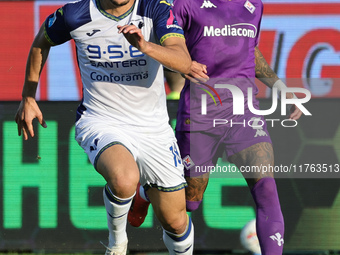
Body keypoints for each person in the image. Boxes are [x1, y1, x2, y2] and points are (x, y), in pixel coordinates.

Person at [14, 0, 195, 254]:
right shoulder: (75, 14)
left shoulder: (155, 8)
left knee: (175, 222)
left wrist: (144, 45)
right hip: (101, 119)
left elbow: (183, 62)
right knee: (124, 179)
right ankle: (117, 244)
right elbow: (41, 42)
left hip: (153, 128)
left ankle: (143, 195)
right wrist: (28, 97)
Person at [128, 0, 303, 254]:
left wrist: (279, 87)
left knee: (266, 188)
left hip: (244, 112)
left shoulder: (254, 5)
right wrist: (179, 65)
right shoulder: (186, 5)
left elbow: (251, 50)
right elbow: (167, 48)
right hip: (200, 115)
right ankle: (145, 191)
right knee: (189, 203)